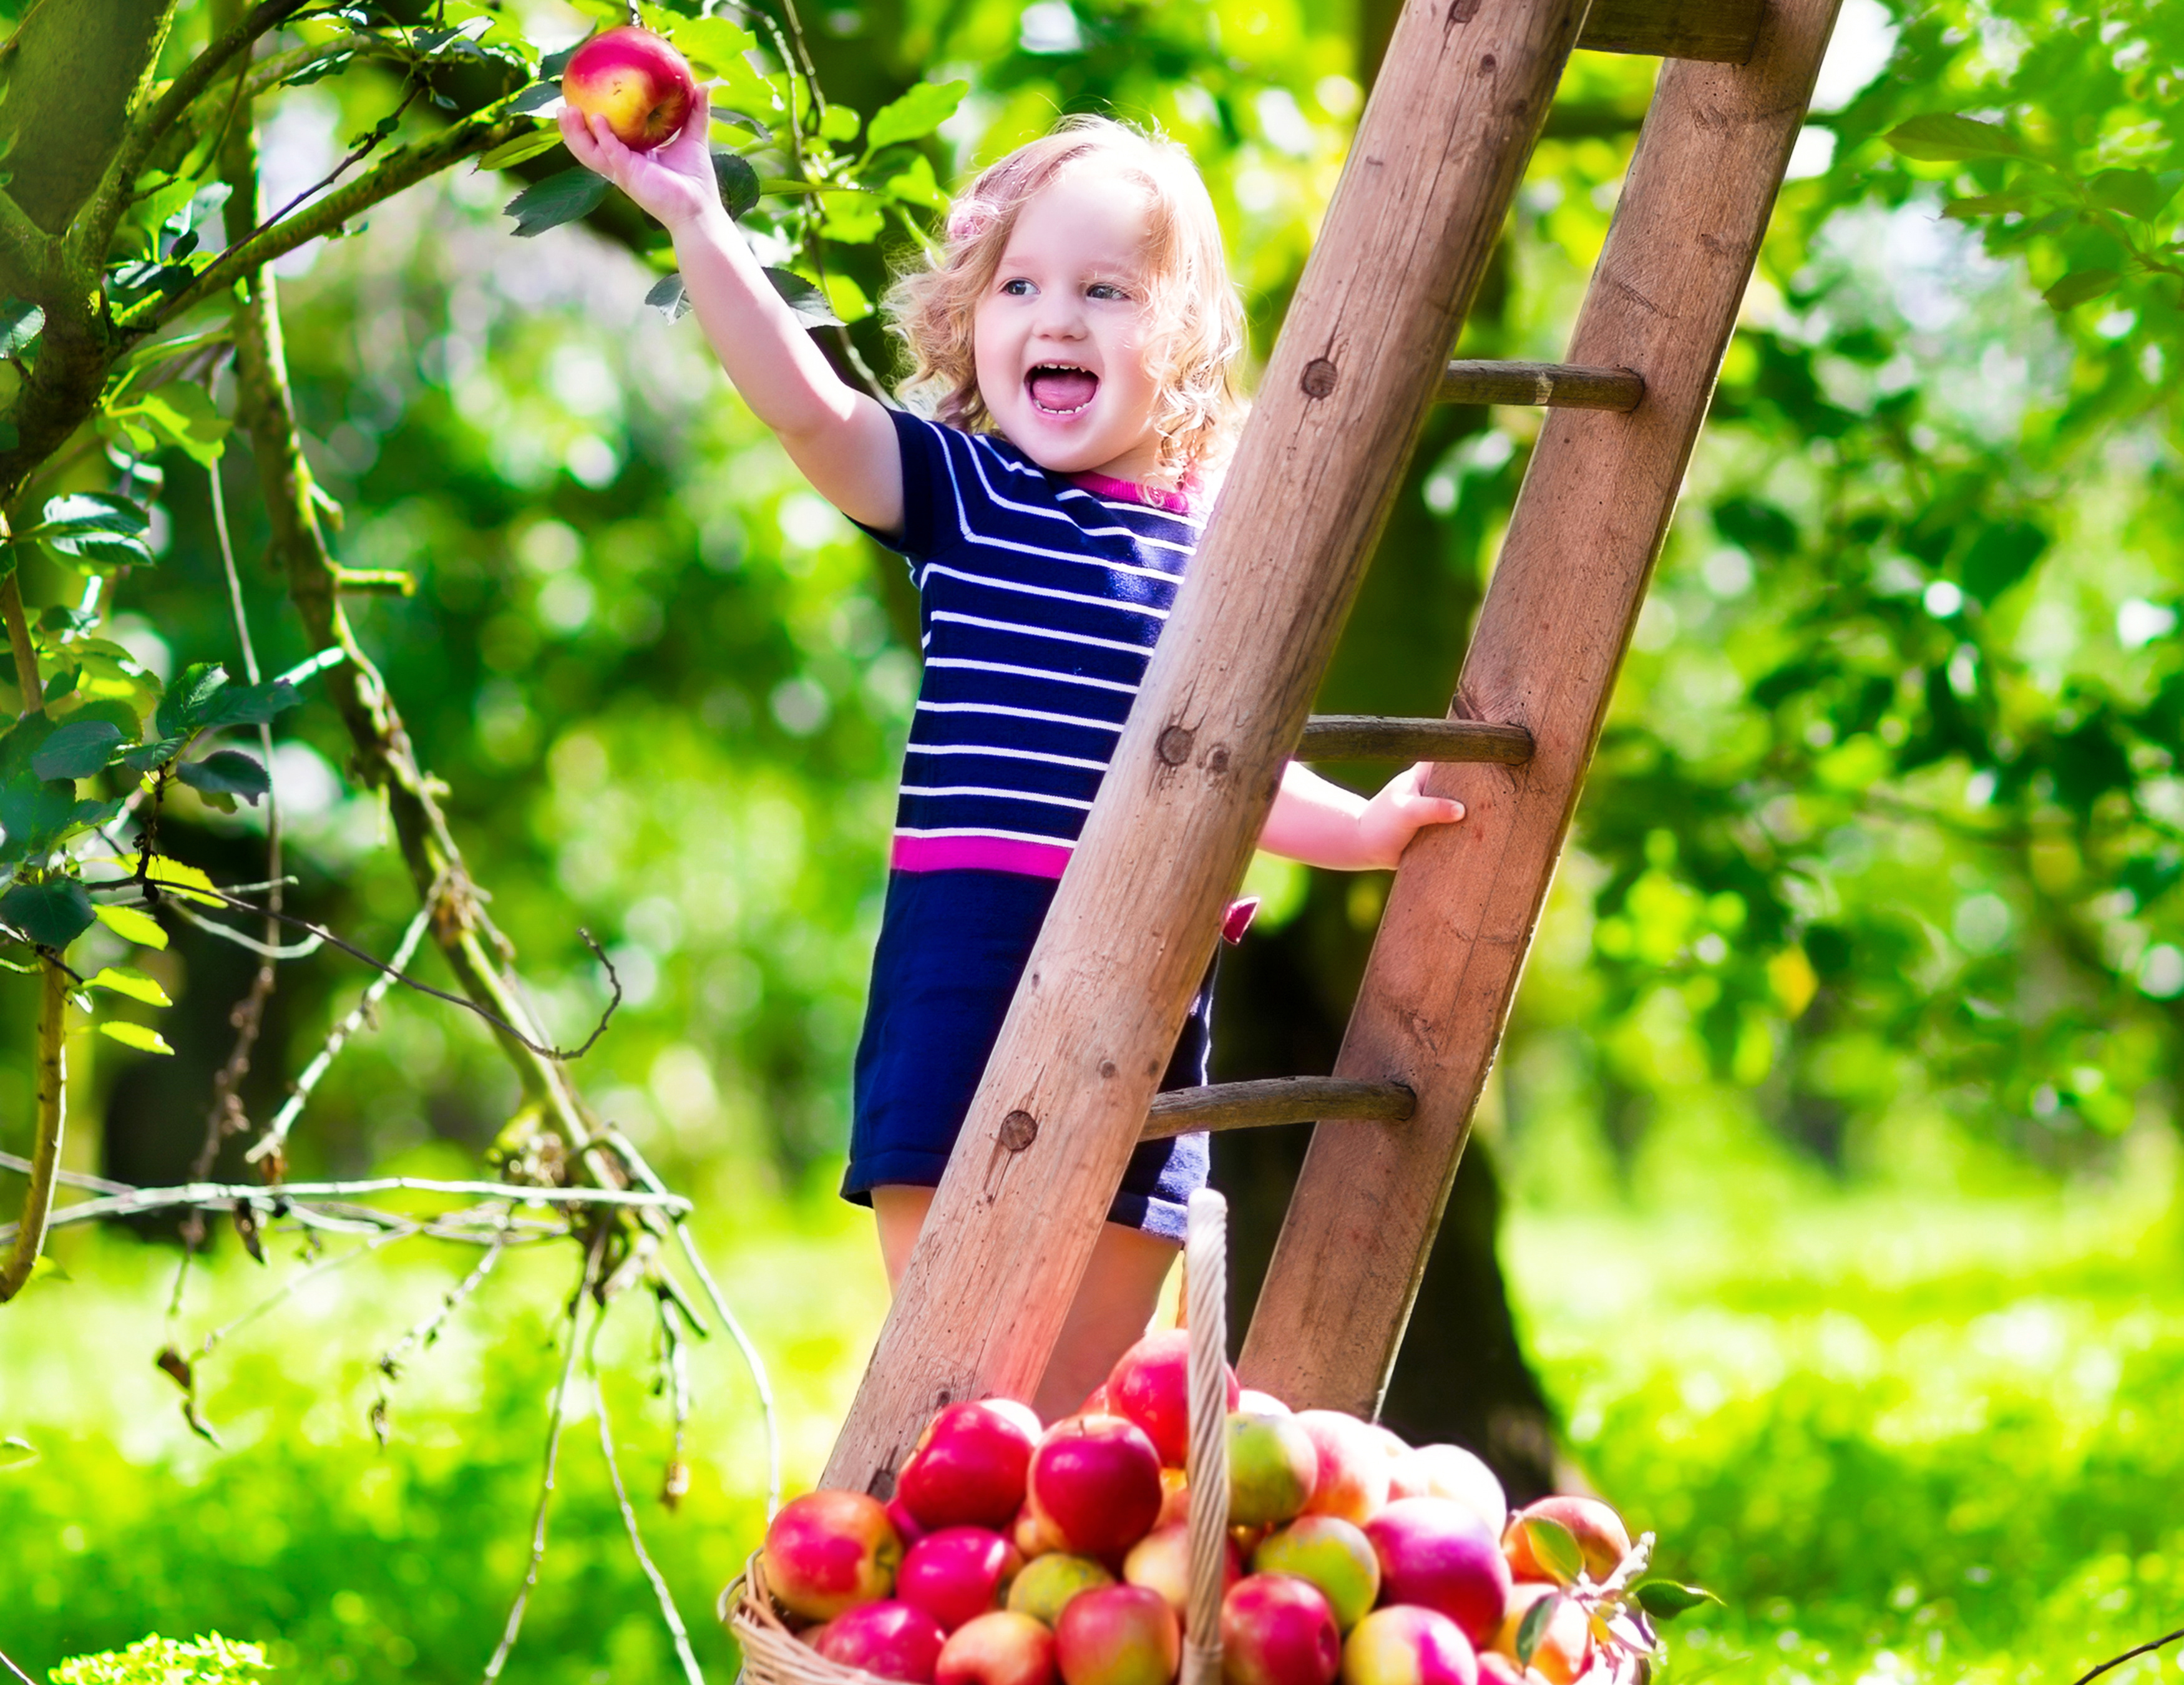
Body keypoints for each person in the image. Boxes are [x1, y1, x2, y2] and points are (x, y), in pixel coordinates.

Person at [561, 101, 1466, 1417]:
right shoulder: (972, 496)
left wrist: (1367, 832)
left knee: (1084, 1365)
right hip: (973, 942)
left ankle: (1044, 1536)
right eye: (1020, 286)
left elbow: (1232, 770)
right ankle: (948, 1488)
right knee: (959, 1354)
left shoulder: (1212, 564)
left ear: (1185, 343)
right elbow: (809, 412)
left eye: (1107, 290)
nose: (1056, 318)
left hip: (1150, 963)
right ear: (971, 328)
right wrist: (702, 220)